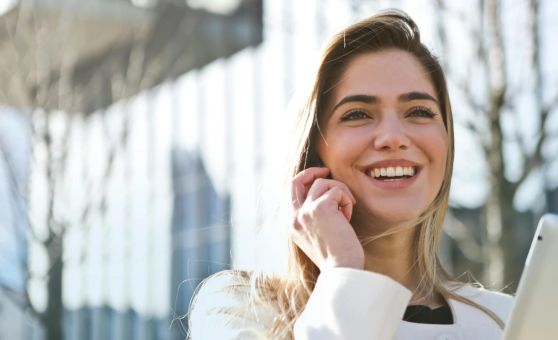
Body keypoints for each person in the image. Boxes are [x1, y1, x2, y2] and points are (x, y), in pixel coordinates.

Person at [189, 9, 513, 340]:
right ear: (314, 150)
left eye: (419, 111)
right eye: (357, 114)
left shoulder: (508, 320)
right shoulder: (242, 310)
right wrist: (342, 273)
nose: (393, 137)